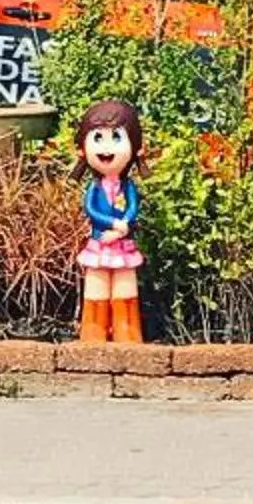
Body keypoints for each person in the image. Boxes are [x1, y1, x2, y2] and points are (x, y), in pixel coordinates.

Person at [73, 98, 146, 348]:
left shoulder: (128, 187)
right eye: (98, 138)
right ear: (83, 149)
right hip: (100, 244)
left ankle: (128, 335)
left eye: (116, 137)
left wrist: (124, 225)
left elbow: (133, 207)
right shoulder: (94, 188)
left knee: (125, 289)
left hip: (122, 246)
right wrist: (115, 224)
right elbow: (91, 209)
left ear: (136, 148)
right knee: (97, 288)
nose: (106, 147)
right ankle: (93, 336)